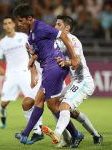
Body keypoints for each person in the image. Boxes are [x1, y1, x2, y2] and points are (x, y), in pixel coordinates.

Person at [13, 4, 83, 148]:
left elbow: (62, 35)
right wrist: (33, 57)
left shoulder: (40, 27)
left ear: (30, 18)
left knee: (43, 102)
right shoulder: (31, 34)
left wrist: (74, 57)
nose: (19, 24)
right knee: (50, 105)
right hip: (48, 68)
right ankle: (75, 134)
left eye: (21, 21)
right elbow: (40, 51)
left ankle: (26, 134)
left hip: (54, 68)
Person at [42, 15, 103, 148]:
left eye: (58, 25)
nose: (55, 27)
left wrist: (66, 62)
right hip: (74, 81)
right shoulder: (57, 41)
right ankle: (95, 135)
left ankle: (57, 133)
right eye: (55, 24)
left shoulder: (73, 41)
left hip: (84, 82)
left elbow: (77, 62)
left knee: (64, 105)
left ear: (67, 28)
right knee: (56, 104)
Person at [0, 16, 44, 144]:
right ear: (4, 26)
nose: (8, 25)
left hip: (24, 72)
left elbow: (32, 50)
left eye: (10, 22)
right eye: (5, 23)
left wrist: (33, 69)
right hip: (10, 74)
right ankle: (3, 114)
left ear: (13, 25)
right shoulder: (2, 43)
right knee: (4, 103)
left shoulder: (22, 37)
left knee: (33, 100)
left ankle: (38, 128)